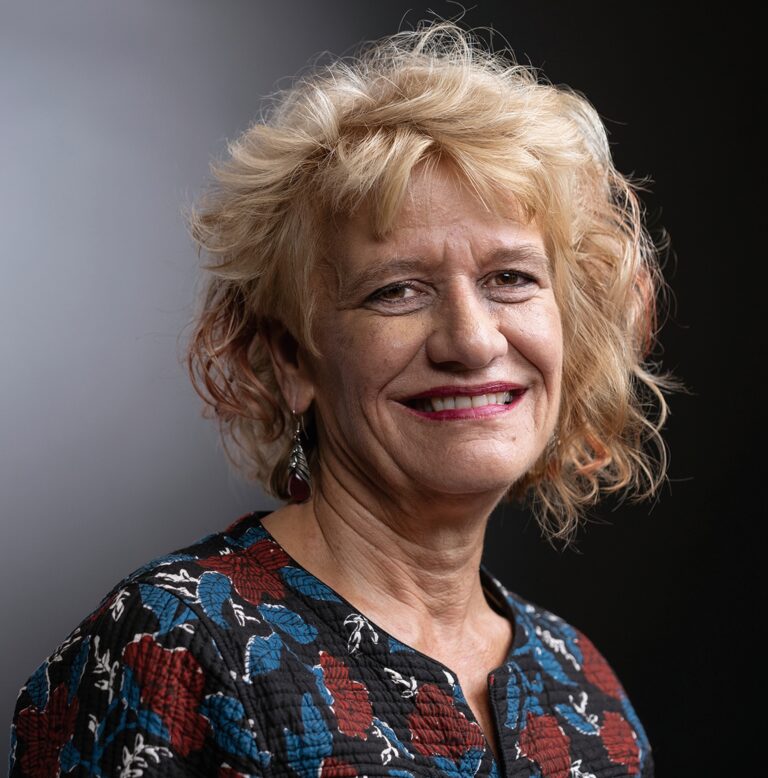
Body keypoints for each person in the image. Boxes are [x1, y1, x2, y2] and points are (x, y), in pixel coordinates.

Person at [9, 20, 673, 778]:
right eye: (398, 291)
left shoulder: (582, 687)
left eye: (511, 279)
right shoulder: (175, 648)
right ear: (291, 358)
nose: (471, 340)